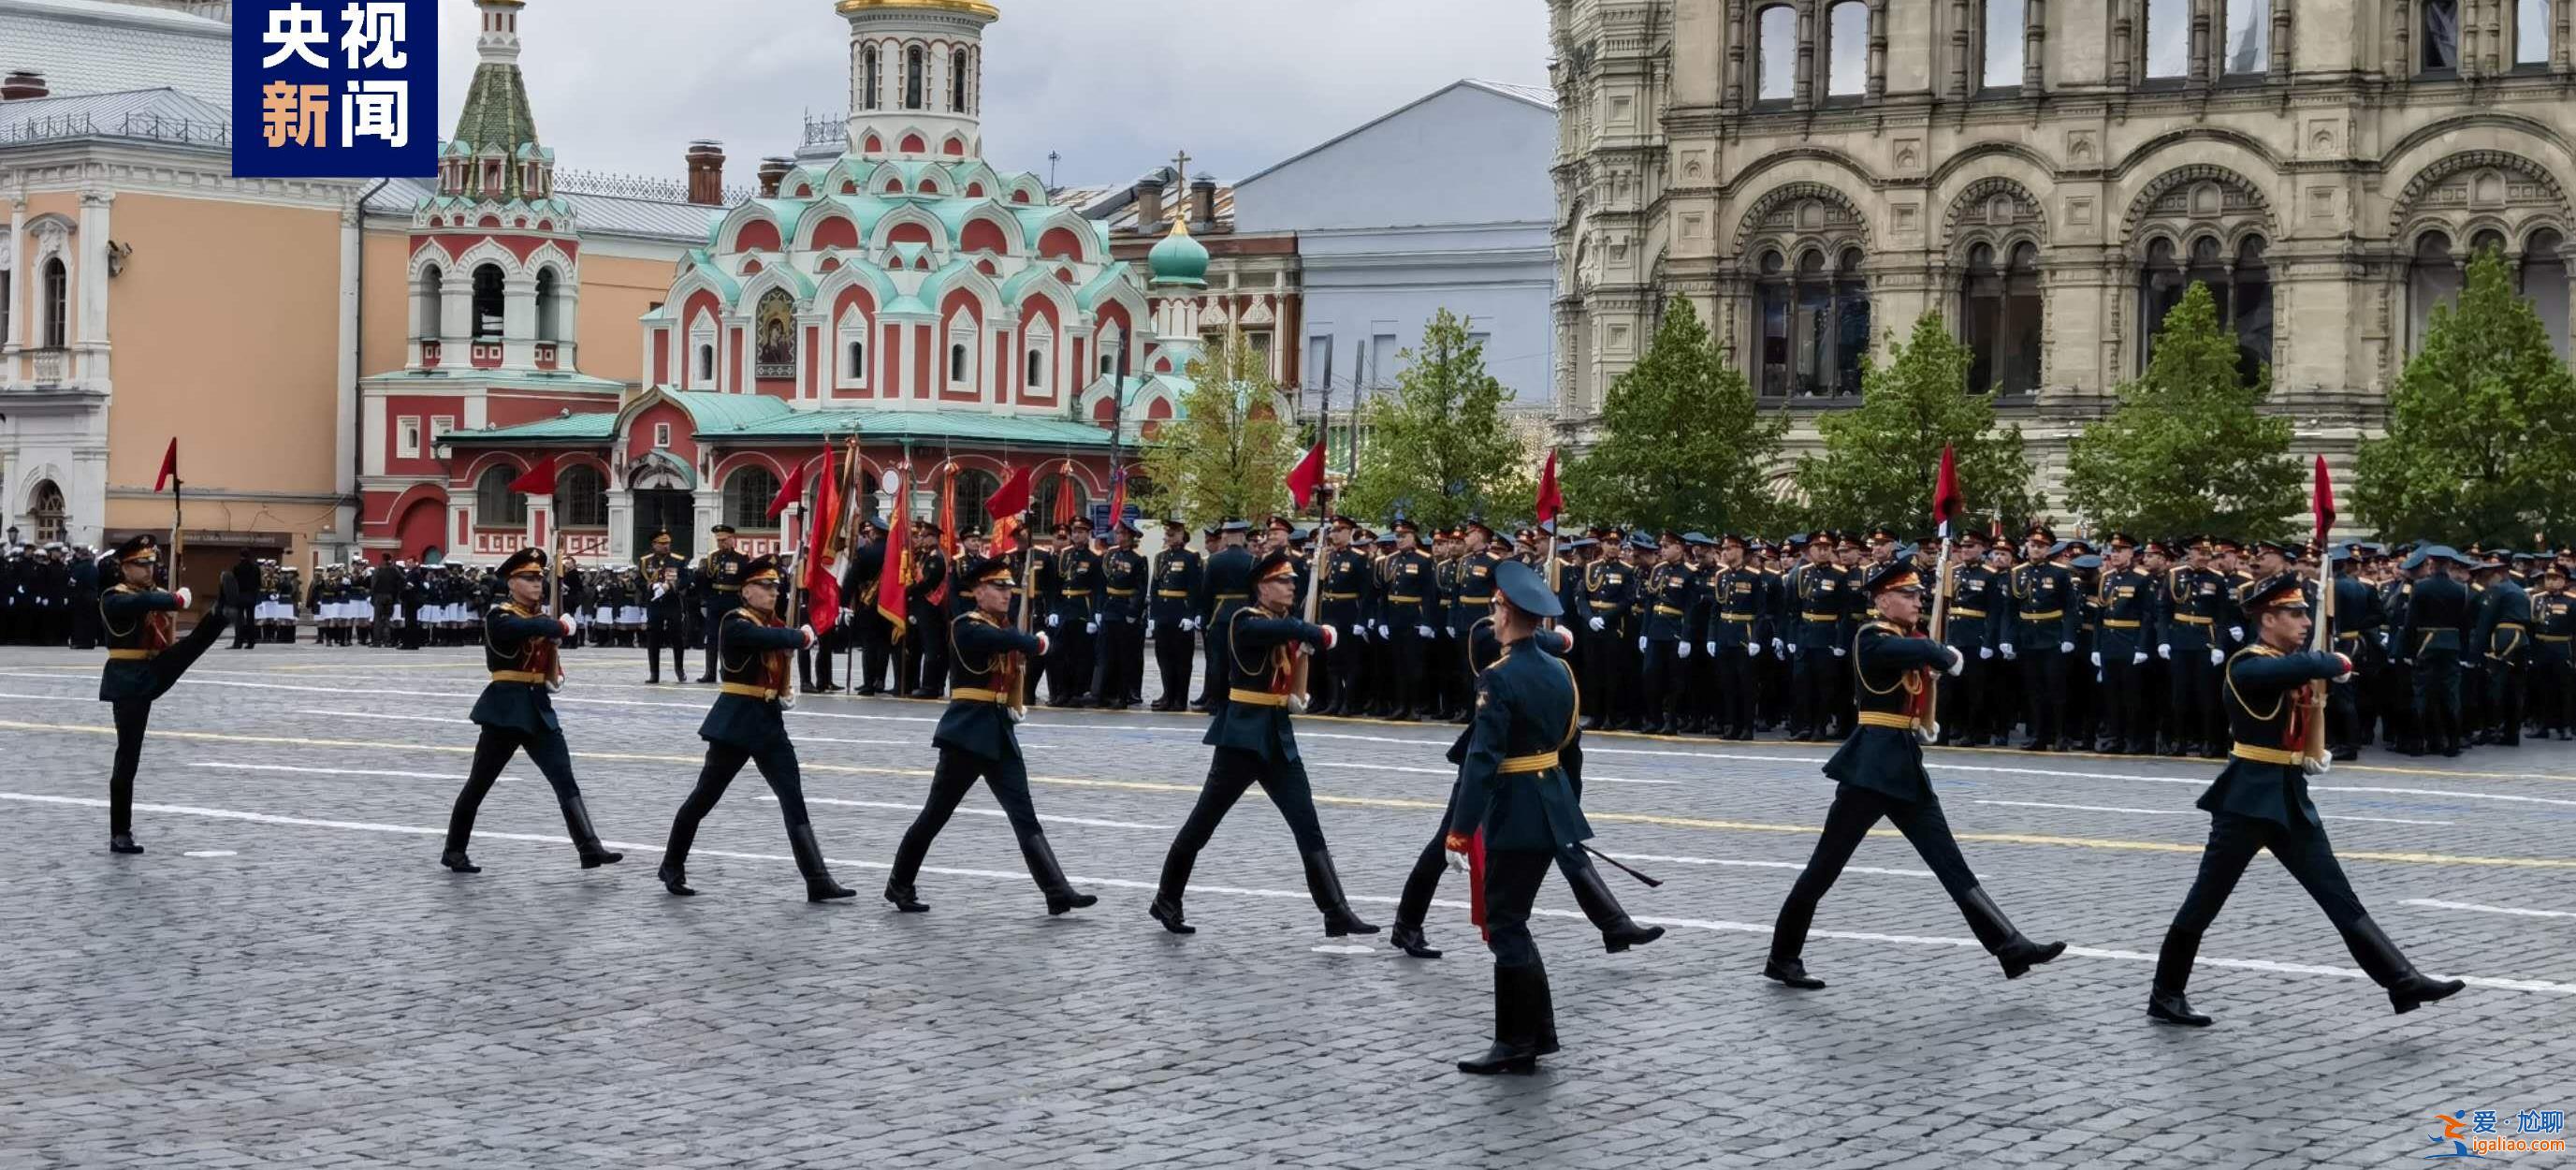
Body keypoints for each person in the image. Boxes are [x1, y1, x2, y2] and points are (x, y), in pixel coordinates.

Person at [2147, 573, 2467, 1027]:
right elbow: (2293, 671)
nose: (2302, 622)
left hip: (2289, 797)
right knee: (2205, 900)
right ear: (2268, 618)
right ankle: (2165, 993)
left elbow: (2317, 680)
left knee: (2338, 895)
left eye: (2304, 613)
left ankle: (2402, 980)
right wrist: (2332, 659)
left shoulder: (2290, 661)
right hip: (2247, 800)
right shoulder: (2248, 664)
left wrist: (2311, 747)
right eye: (2294, 614)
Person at [1765, 559, 2065, 990]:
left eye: (1920, 595)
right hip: (1870, 769)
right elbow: (1918, 653)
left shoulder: (1906, 637)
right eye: (1909, 595)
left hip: (1903, 764)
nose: (1918, 601)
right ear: (1883, 600)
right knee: (1823, 868)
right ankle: (1782, 957)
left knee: (1950, 864)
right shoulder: (1871, 637)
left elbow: (1920, 660)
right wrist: (1943, 652)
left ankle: (2010, 945)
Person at [1390, 609, 1660, 962]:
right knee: (1446, 841)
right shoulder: (1483, 632)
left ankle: (1614, 922)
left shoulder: (1521, 637)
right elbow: (1530, 642)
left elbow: (1532, 641)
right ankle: (1407, 923)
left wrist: (1552, 637)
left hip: (1525, 756)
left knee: (1565, 843)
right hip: (1490, 757)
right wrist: (1561, 638)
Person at [1151, 550, 1375, 937]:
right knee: (1202, 823)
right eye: (1283, 581)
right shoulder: (1245, 621)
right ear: (1261, 587)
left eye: (1292, 581)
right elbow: (1291, 633)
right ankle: (1166, 899)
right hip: (1241, 738)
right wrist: (1319, 633)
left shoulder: (1280, 622)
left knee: (1307, 824)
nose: (1291, 586)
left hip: (1276, 735)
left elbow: (1290, 644)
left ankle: (1335, 911)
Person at [884, 552, 1099, 915]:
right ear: (978, 592)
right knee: (935, 815)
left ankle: (1057, 890)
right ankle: (899, 883)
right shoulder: (967, 625)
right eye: (998, 588)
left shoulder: (999, 626)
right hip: (967, 734)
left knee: (1023, 813)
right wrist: (1037, 643)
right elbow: (1008, 642)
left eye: (1009, 589)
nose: (1006, 594)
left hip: (998, 731)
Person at [1442, 558, 1594, 1075]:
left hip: (1514, 808)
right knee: (1516, 923)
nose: (1493, 614)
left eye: (1495, 607)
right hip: (1551, 804)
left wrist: (1460, 832)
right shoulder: (1561, 669)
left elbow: (1483, 761)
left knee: (1505, 924)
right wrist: (1569, 805)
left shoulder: (1498, 677)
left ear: (1506, 613)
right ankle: (1535, 1034)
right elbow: (1572, 748)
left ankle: (1514, 1041)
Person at [659, 556, 851, 901]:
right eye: (765, 586)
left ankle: (817, 879)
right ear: (746, 592)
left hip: (768, 723)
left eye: (776, 586)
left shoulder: (771, 623)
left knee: (793, 797)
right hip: (736, 724)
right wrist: (801, 636)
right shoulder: (735, 621)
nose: (773, 592)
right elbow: (764, 638)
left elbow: (776, 639)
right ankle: (672, 864)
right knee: (704, 797)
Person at [438, 548, 623, 874]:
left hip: (538, 706)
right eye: (529, 578)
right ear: (512, 583)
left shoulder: (536, 617)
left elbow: (543, 649)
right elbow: (526, 630)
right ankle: (454, 850)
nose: (537, 583)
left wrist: (555, 673)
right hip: (505, 710)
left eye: (539, 578)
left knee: (564, 778)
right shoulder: (501, 616)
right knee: (479, 783)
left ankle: (589, 847)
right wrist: (561, 627)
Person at [95, 534, 229, 854]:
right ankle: (120, 832)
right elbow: (142, 603)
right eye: (141, 564)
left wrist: (171, 596)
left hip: (153, 670)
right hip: (127, 681)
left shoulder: (151, 592)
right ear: (124, 567)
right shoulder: (114, 597)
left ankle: (222, 613)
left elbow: (155, 599)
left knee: (188, 648)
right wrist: (176, 600)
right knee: (128, 756)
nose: (148, 569)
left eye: (152, 564)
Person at [1147, 519, 1202, 711]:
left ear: (1181, 534)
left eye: (1173, 534)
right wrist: (1152, 615)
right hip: (1163, 612)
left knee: (1182, 659)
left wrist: (1191, 614)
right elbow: (1155, 586)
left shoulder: (1191, 556)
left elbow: (1195, 588)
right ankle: (1167, 695)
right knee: (1164, 656)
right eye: (1167, 534)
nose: (1169, 537)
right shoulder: (1161, 557)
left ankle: (1180, 698)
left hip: (1180, 611)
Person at [695, 525, 750, 682]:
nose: (721, 543)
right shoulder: (712, 557)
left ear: (732, 539)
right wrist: (705, 597)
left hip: (733, 599)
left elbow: (746, 580)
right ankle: (709, 673)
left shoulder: (741, 557)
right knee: (711, 637)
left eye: (724, 540)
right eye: (718, 540)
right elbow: (707, 579)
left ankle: (729, 671)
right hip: (715, 600)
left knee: (731, 637)